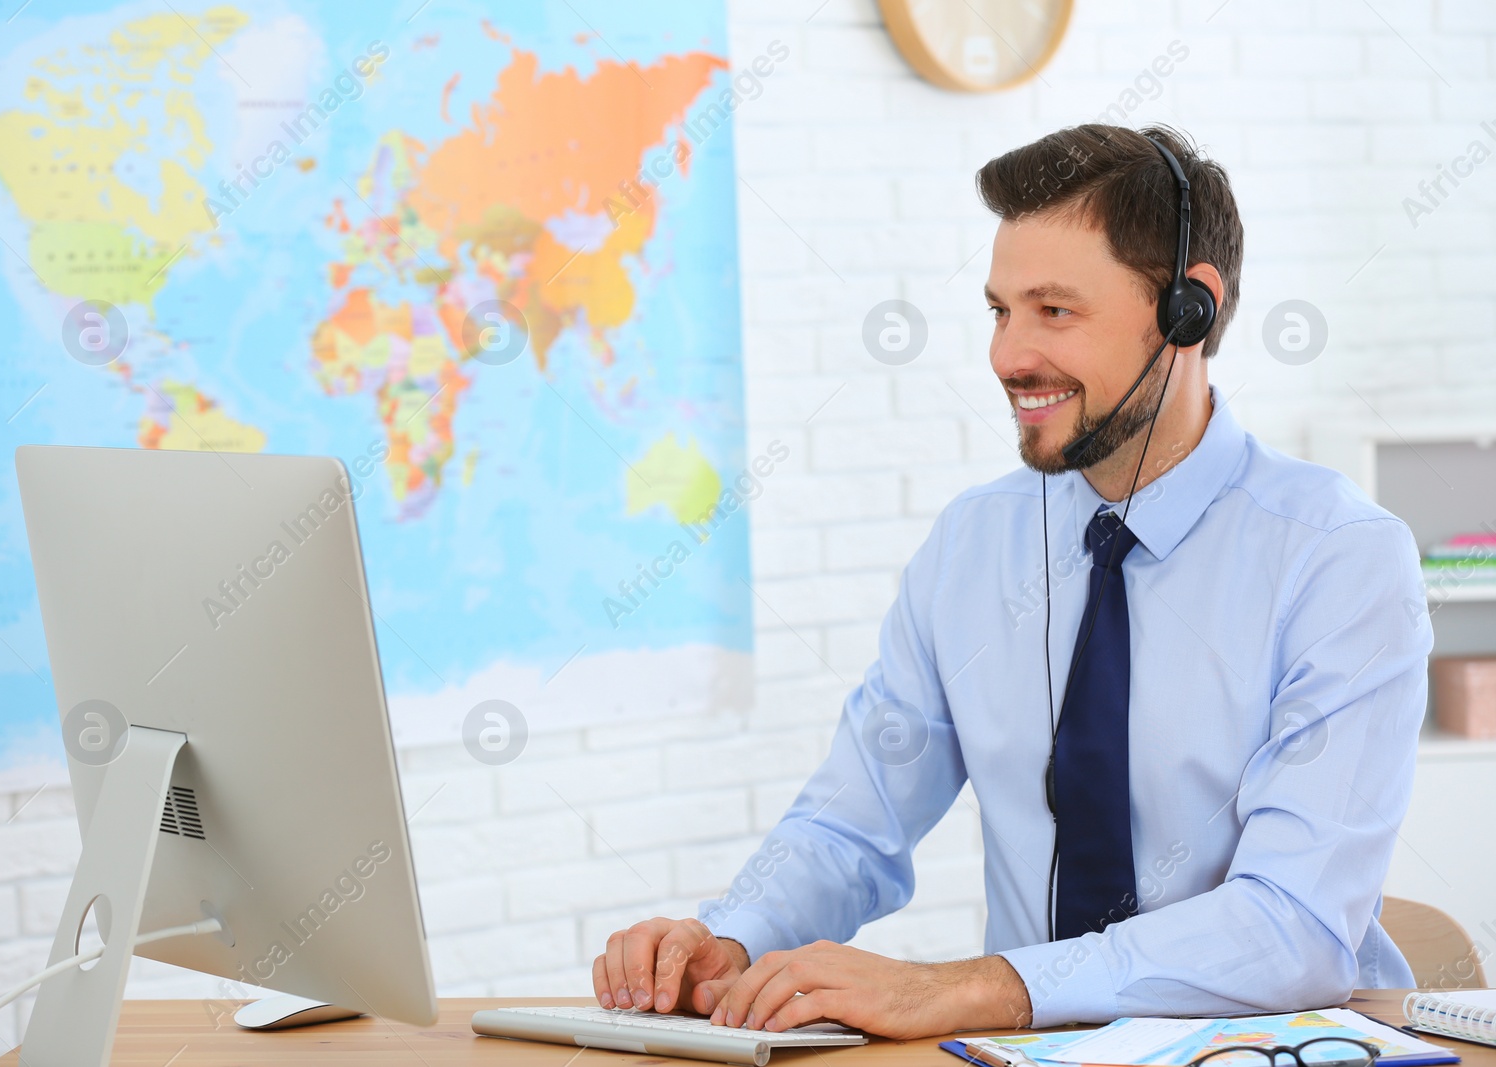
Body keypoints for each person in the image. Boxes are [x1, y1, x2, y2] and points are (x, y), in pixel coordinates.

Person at [591, 123, 1430, 1038]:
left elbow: (1294, 926)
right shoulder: (972, 546)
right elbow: (852, 824)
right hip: (1032, 1055)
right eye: (999, 310)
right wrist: (735, 937)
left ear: (1190, 309)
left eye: (1054, 311)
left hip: (1267, 1047)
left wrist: (967, 988)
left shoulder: (1340, 558)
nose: (1007, 357)